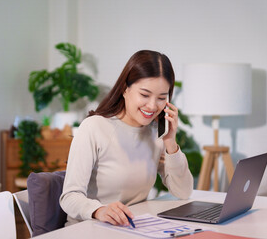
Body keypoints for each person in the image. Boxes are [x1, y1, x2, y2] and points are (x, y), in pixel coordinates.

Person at [60, 50, 193, 227]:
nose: (152, 106)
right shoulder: (94, 128)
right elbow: (69, 197)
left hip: (131, 228)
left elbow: (183, 191)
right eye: (144, 95)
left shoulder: (155, 133)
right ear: (125, 89)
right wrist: (100, 210)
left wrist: (170, 142)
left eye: (162, 97)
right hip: (89, 229)